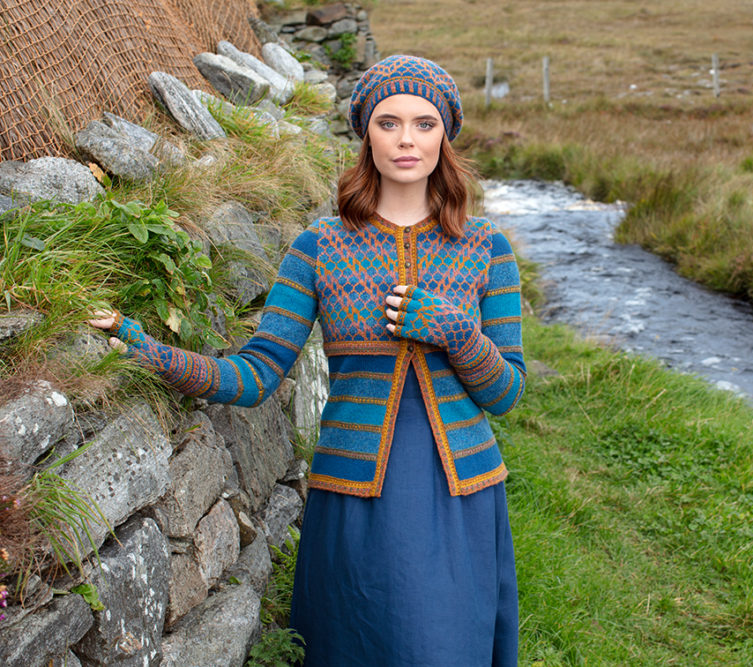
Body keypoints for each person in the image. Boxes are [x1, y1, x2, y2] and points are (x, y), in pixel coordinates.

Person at [90, 55, 524, 666]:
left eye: (425, 124)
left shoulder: (486, 248)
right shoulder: (319, 246)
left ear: (445, 134)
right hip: (356, 497)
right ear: (364, 132)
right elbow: (256, 373)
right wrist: (150, 351)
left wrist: (457, 335)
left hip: (461, 495)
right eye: (389, 122)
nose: (407, 139)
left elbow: (506, 393)